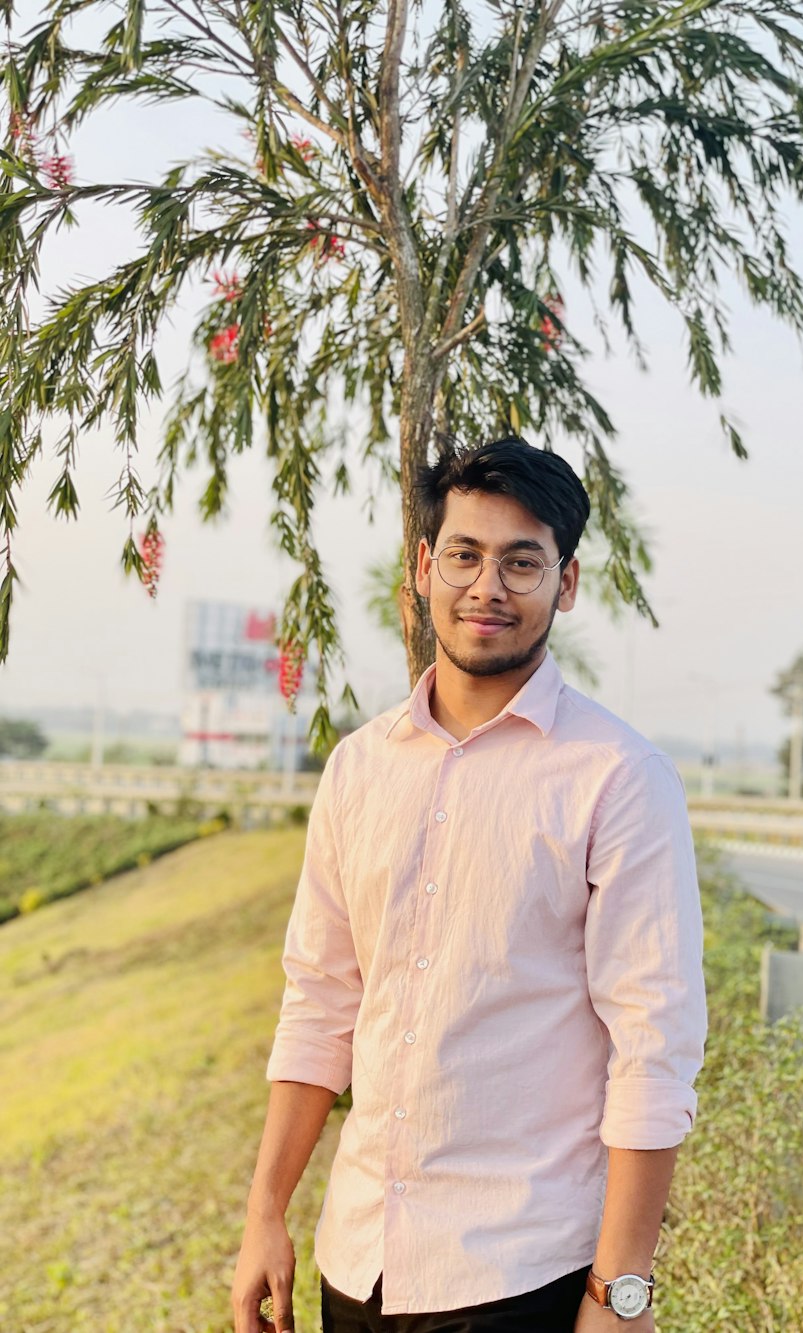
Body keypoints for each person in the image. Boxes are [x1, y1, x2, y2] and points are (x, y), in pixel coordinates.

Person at [232, 437, 707, 1333]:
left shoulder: (618, 777)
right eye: (465, 554)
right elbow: (321, 1005)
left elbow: (654, 1043)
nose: (488, 587)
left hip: (520, 1272)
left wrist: (621, 1293)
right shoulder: (359, 769)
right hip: (357, 1261)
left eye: (522, 562)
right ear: (424, 566)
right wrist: (266, 1211)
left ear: (565, 583)